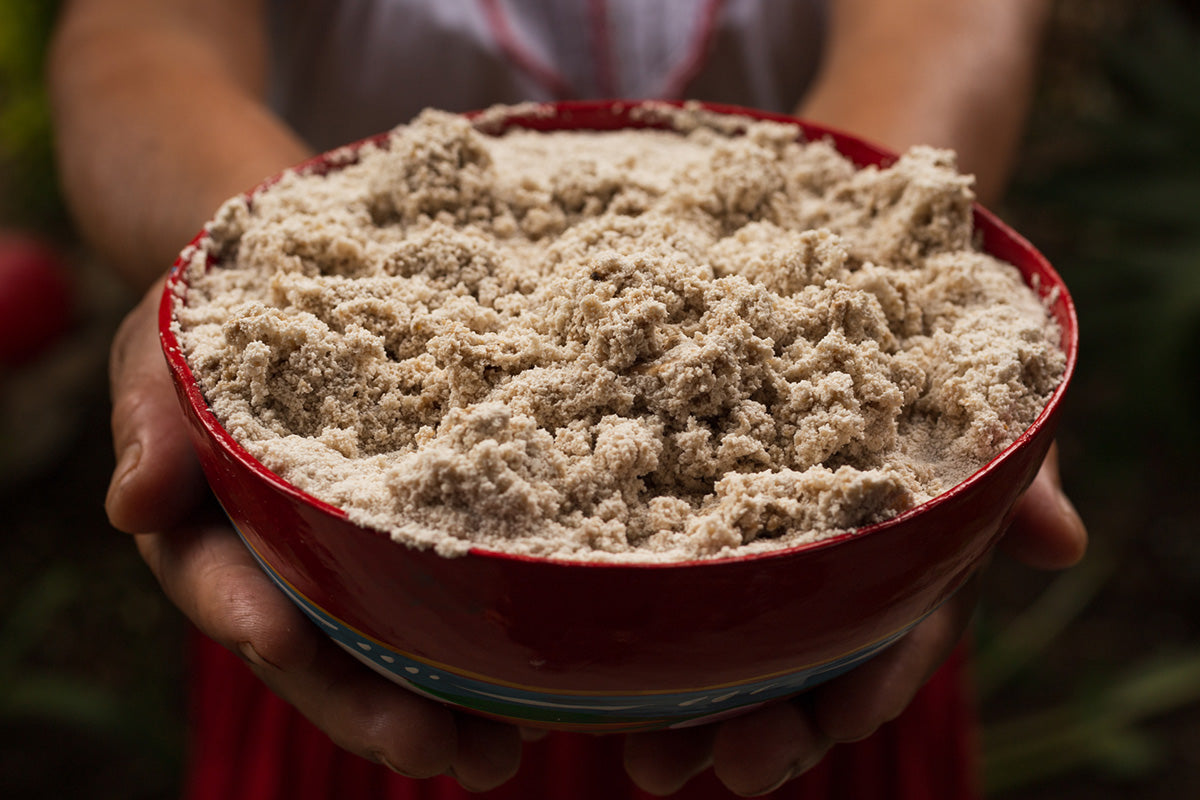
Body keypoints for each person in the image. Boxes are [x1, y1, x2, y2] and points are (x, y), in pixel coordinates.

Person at [48, 0, 1087, 796]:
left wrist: (875, 230)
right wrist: (253, 255)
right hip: (345, 595)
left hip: (822, 635)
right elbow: (139, 39)